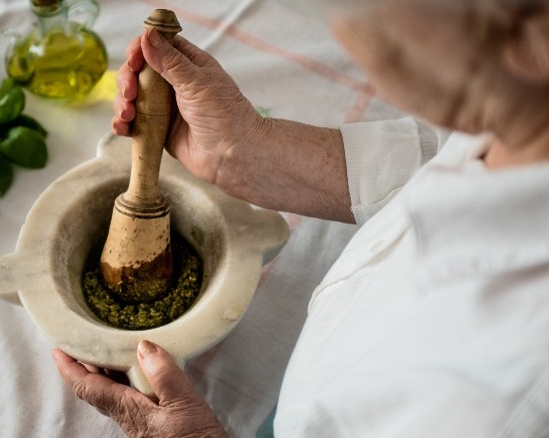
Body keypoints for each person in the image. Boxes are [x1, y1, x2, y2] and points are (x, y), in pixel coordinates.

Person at [52, 0, 549, 435]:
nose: (340, 23)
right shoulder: (523, 117)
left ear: (534, 35)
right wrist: (244, 151)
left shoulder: (509, 392)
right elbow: (446, 155)